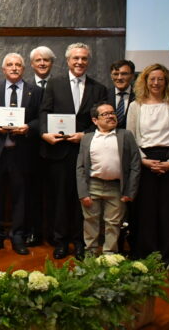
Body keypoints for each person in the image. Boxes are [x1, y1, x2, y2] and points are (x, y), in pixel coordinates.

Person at [40, 42, 108, 259]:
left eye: (84, 59)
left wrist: (85, 136)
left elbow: (101, 121)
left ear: (88, 61)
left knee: (83, 199)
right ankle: (60, 242)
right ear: (68, 61)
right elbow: (44, 112)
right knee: (59, 198)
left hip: (86, 152)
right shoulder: (54, 84)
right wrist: (44, 134)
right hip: (58, 151)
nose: (80, 62)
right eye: (75, 58)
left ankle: (81, 242)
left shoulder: (99, 89)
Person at [127, 63, 169, 270]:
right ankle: (146, 259)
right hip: (145, 161)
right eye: (152, 79)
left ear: (166, 82)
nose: (156, 83)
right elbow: (131, 138)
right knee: (146, 213)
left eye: (160, 79)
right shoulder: (136, 106)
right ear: (145, 81)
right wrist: (143, 160)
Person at [0, 53, 41, 255]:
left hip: (22, 153)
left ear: (24, 69)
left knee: (20, 198)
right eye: (10, 65)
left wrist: (28, 128)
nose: (14, 68)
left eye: (18, 65)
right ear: (3, 69)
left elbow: (41, 119)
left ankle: (18, 236)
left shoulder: (36, 91)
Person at [76, 102, 141, 256]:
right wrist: (83, 193)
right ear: (95, 120)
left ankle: (109, 256)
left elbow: (135, 164)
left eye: (112, 113)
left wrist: (130, 191)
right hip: (93, 186)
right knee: (90, 222)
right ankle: (90, 255)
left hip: (116, 188)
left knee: (113, 223)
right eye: (105, 114)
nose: (111, 116)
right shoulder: (87, 139)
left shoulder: (125, 135)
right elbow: (80, 167)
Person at [25, 45, 55, 247]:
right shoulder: (25, 88)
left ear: (52, 63)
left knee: (54, 195)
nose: (42, 63)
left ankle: (53, 234)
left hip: (55, 150)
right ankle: (33, 233)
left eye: (46, 60)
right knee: (31, 196)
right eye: (38, 60)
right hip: (30, 150)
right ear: (32, 64)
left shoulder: (60, 85)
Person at [108, 59, 136, 129]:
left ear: (132, 76)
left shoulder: (140, 96)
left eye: (124, 74)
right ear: (111, 76)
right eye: (115, 74)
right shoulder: (103, 95)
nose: (119, 78)